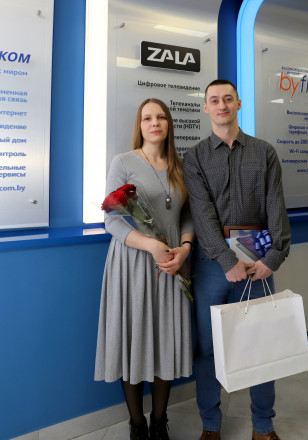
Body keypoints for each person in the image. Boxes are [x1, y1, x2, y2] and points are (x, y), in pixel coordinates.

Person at [183, 80, 291, 440]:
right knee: (207, 348)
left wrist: (274, 257)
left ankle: (263, 425)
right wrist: (227, 261)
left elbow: (276, 206)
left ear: (238, 103)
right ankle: (210, 425)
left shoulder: (264, 152)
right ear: (206, 108)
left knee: (262, 345)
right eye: (214, 100)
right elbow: (202, 215)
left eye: (227, 99)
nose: (222, 105)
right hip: (212, 266)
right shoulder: (195, 157)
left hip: (259, 263)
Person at [95, 98, 194, 440]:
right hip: (133, 263)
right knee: (133, 340)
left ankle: (159, 421)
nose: (155, 123)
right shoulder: (123, 162)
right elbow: (111, 220)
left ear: (169, 124)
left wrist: (184, 248)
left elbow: (187, 215)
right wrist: (150, 245)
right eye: (148, 118)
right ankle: (137, 424)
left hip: (171, 263)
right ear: (139, 125)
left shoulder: (181, 165)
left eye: (161, 117)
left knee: (165, 339)